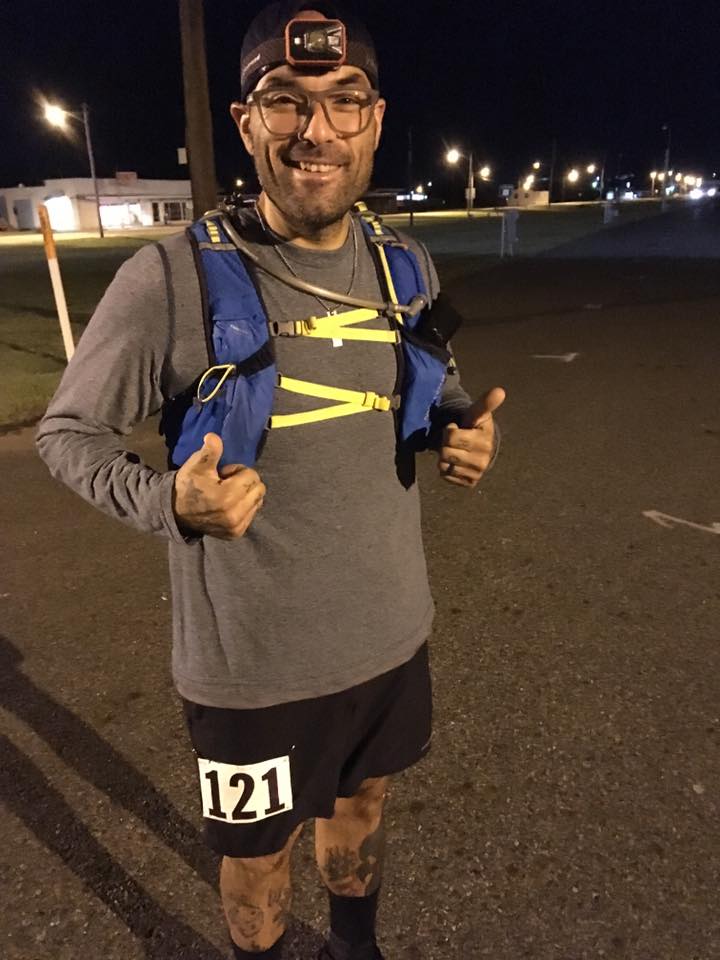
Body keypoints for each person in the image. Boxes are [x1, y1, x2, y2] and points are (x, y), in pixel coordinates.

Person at [36, 2, 505, 957]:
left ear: (374, 119)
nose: (315, 130)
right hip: (251, 671)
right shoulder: (169, 279)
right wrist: (168, 500)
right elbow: (67, 433)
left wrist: (462, 428)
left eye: (344, 100)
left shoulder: (404, 262)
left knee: (363, 808)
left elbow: (438, 384)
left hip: (389, 636)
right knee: (258, 864)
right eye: (285, 101)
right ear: (246, 122)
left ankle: (357, 947)